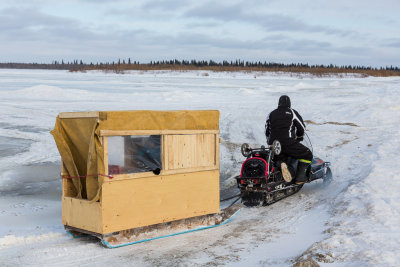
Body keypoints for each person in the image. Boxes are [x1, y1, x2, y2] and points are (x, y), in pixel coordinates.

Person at [265, 95, 313, 184]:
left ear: (278, 103)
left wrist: (270, 143)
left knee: (280, 158)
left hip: (274, 146)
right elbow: (301, 127)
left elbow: (267, 131)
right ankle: (300, 177)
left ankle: (280, 164)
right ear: (289, 104)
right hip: (288, 143)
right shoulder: (292, 112)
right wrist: (299, 137)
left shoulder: (271, 114)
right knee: (307, 154)